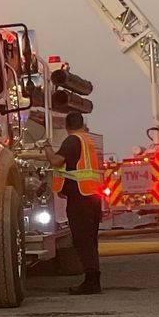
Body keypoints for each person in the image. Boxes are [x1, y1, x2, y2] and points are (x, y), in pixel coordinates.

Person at [52, 111, 102, 295]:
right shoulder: (87, 140)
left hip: (80, 198)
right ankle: (93, 279)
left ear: (67, 126)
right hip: (91, 196)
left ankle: (91, 281)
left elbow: (56, 160)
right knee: (90, 239)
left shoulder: (72, 140)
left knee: (82, 240)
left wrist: (47, 149)